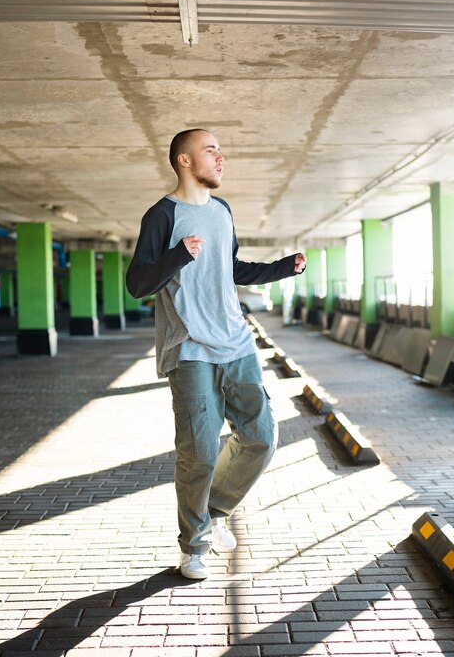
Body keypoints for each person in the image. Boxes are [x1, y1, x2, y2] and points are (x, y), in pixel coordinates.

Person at [126, 129, 306, 580]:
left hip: (236, 342)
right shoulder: (162, 215)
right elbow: (137, 284)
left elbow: (232, 268)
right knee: (199, 452)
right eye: (211, 150)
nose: (221, 158)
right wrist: (179, 256)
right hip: (189, 348)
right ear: (184, 161)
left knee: (261, 435)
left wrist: (284, 267)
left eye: (220, 151)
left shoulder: (223, 211)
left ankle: (216, 510)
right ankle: (193, 546)